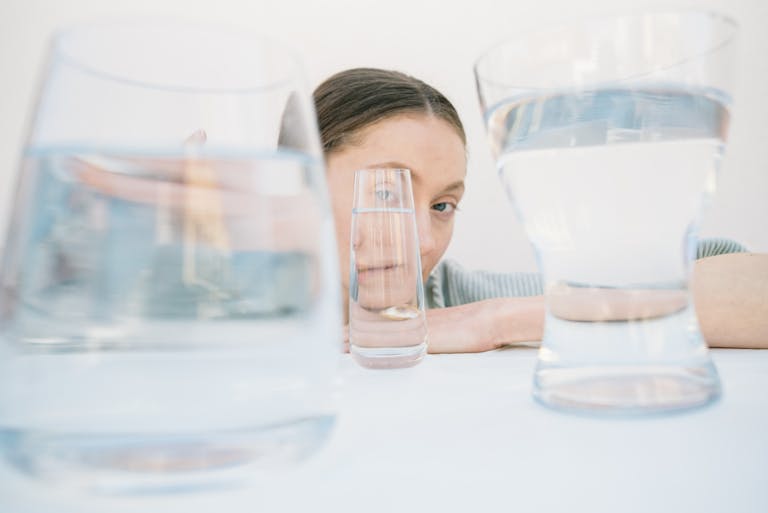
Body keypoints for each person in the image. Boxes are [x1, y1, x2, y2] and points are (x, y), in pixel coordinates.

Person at [314, 67, 768, 352]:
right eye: (386, 191)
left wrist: (494, 321)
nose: (426, 242)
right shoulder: (245, 305)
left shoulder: (455, 301)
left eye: (442, 205)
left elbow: (748, 281)